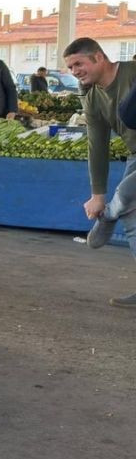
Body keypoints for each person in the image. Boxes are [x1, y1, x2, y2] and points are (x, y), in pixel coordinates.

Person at [67, 38, 136, 307]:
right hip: (135, 154)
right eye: (70, 67)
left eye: (78, 64)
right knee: (133, 220)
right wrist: (97, 194)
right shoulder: (92, 95)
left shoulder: (131, 73)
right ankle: (112, 209)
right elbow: (97, 144)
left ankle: (109, 213)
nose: (74, 71)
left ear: (98, 57)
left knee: (125, 194)